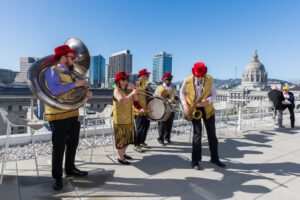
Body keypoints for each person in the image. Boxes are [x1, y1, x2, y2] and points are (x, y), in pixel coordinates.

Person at [44, 44, 93, 190]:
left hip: (73, 114)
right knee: (58, 148)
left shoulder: (72, 73)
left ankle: (70, 169)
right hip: (58, 115)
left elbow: (76, 91)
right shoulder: (52, 71)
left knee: (73, 144)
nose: (74, 59)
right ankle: (57, 178)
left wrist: (86, 95)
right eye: (71, 57)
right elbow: (54, 90)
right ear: (63, 57)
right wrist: (74, 84)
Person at [180, 62, 225, 170]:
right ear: (194, 74)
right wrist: (185, 105)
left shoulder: (210, 79)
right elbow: (181, 93)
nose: (199, 78)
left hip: (207, 109)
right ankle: (195, 161)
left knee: (212, 135)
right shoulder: (187, 81)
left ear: (204, 74)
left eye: (201, 76)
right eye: (197, 76)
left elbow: (214, 94)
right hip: (194, 109)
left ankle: (215, 158)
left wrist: (207, 101)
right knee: (197, 135)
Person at [154, 72, 177, 145]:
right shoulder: (159, 88)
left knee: (169, 124)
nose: (170, 80)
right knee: (162, 124)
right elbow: (154, 96)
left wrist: (176, 97)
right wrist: (161, 98)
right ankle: (160, 139)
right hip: (162, 108)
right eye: (168, 79)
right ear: (164, 80)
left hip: (171, 108)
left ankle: (167, 138)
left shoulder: (173, 88)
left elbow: (176, 96)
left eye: (171, 79)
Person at [133, 69, 152, 152]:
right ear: (142, 76)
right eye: (147, 75)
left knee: (146, 126)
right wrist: (139, 108)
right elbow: (134, 100)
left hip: (146, 110)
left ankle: (142, 142)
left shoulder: (146, 86)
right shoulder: (137, 86)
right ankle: (136, 145)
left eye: (148, 75)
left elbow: (149, 97)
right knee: (140, 128)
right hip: (139, 111)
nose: (148, 77)